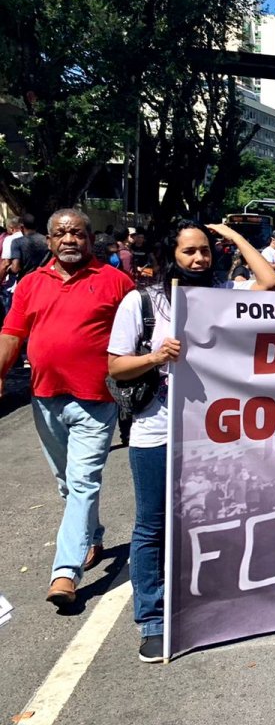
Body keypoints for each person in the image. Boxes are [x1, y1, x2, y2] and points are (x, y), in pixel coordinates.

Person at [107, 221, 275, 663]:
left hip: (212, 435)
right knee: (153, 525)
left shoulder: (222, 296)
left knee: (215, 516)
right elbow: (116, 368)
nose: (199, 259)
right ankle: (153, 619)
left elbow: (270, 282)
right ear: (171, 255)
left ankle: (210, 601)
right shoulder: (141, 302)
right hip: (156, 432)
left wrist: (235, 236)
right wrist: (154, 356)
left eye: (205, 250)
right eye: (189, 252)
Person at [0, 209, 135, 607]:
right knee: (66, 482)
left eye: (77, 233)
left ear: (91, 240)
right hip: (45, 399)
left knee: (82, 482)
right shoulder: (30, 283)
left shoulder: (116, 282)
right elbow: (12, 332)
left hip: (96, 400)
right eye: (61, 234)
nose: (69, 240)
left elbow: (140, 330)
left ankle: (65, 572)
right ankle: (91, 537)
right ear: (49, 241)